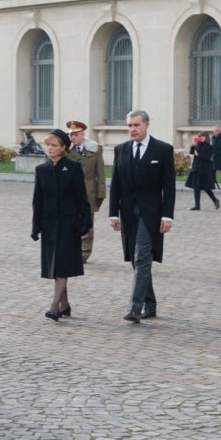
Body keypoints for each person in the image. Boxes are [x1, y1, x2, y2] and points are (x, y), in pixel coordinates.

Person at [109, 110, 176, 323]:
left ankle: (134, 309)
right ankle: (151, 303)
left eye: (136, 125)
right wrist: (112, 213)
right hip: (128, 213)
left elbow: (169, 186)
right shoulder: (121, 150)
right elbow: (116, 185)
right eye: (129, 126)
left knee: (142, 258)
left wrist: (167, 216)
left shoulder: (163, 150)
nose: (132, 130)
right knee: (137, 261)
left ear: (147, 125)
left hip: (151, 215)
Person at [31, 129, 92, 321]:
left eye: (54, 145)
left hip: (68, 224)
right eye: (48, 145)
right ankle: (65, 305)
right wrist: (35, 227)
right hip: (49, 225)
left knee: (62, 266)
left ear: (63, 148)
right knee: (55, 266)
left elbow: (82, 198)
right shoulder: (42, 170)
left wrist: (86, 223)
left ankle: (54, 307)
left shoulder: (73, 167)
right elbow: (37, 201)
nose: (49, 148)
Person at [65, 121, 106, 264]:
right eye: (70, 135)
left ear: (82, 134)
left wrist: (101, 194)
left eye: (75, 134)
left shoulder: (95, 150)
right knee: (70, 222)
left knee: (87, 224)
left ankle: (84, 252)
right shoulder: (66, 151)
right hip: (70, 192)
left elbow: (100, 173)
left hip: (88, 191)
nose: (72, 138)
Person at [187, 131, 220, 211]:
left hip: (205, 170)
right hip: (196, 168)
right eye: (200, 136)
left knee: (206, 187)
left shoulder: (210, 147)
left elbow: (207, 157)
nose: (201, 138)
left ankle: (215, 200)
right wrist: (193, 145)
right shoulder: (197, 145)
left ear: (206, 137)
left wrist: (198, 155)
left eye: (202, 136)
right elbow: (191, 152)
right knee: (196, 187)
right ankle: (197, 205)